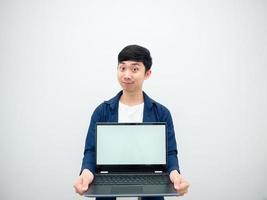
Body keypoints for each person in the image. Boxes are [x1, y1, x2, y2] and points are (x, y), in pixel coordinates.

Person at [74, 45, 189, 199]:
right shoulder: (102, 111)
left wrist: (175, 174)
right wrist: (86, 173)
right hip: (109, 178)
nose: (127, 75)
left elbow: (169, 153)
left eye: (134, 69)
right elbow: (91, 151)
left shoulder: (161, 113)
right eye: (122, 68)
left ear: (147, 73)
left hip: (150, 178)